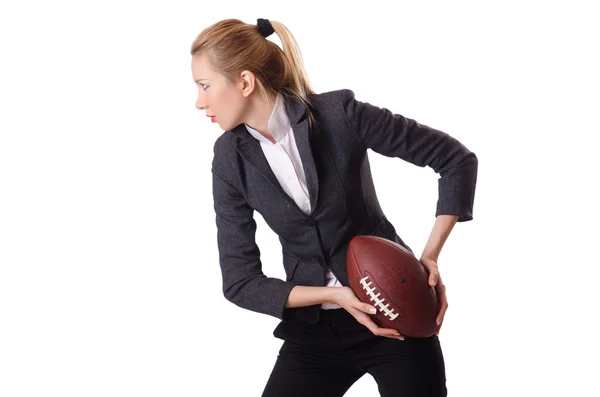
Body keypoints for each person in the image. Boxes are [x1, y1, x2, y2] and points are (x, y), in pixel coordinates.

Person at [191, 18, 478, 397]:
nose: (199, 102)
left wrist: (429, 258)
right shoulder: (229, 159)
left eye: (204, 86)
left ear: (244, 82)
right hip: (313, 334)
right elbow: (240, 282)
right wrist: (334, 295)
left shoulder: (339, 114)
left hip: (394, 313)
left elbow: (455, 161)